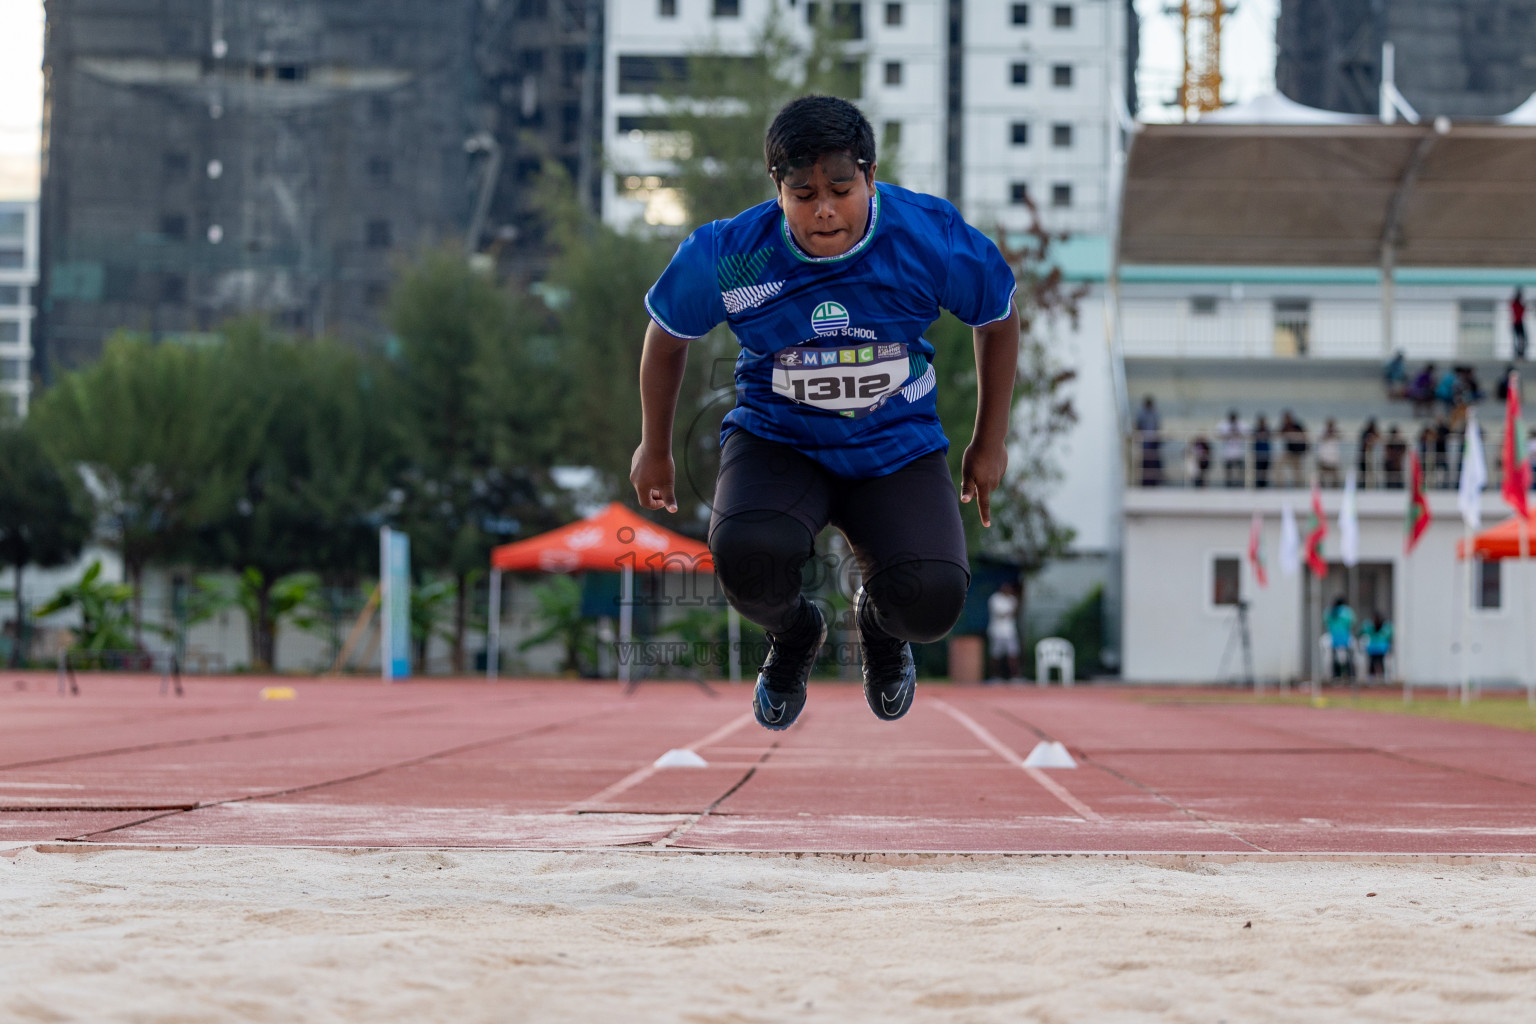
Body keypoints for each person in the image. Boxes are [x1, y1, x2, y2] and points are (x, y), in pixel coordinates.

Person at [632, 96, 1018, 730]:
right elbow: (667, 335)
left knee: (932, 603)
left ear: (870, 175)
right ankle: (795, 633)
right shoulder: (732, 252)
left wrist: (989, 441)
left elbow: (998, 320)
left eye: (841, 188)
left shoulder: (928, 236)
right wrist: (654, 447)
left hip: (896, 446)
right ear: (777, 189)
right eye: (803, 192)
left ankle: (879, 627)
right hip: (779, 440)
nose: (824, 209)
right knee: (745, 555)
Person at [986, 581, 1021, 682]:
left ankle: (1014, 677)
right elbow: (1000, 614)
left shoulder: (1012, 599)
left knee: (1013, 654)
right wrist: (1009, 612)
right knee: (995, 655)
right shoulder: (995, 599)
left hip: (1010, 631)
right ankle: (995, 676)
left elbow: (1014, 613)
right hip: (997, 631)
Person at [1324, 596, 1356, 680]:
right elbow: (1353, 622)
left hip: (1333, 637)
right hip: (1345, 637)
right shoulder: (1347, 611)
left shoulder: (1330, 611)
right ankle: (1351, 675)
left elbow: (1325, 621)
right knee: (1349, 656)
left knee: (1335, 657)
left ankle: (1336, 676)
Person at [1136, 396, 1162, 486]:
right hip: (1145, 442)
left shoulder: (1154, 414)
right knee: (1146, 462)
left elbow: (1157, 426)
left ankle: (1154, 482)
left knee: (1153, 462)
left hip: (1153, 442)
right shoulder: (1142, 414)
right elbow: (1138, 426)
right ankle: (1145, 482)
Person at [1279, 411, 1308, 488]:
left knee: (1297, 471)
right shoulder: (1285, 426)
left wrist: (1292, 434)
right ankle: (1280, 485)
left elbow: (1304, 436)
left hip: (1297, 453)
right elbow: (1279, 434)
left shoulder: (1297, 426)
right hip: (1289, 453)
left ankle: (1298, 486)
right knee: (1278, 465)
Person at [1218, 409, 1246, 488]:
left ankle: (1241, 484)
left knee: (1240, 469)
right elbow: (1219, 436)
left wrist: (1237, 434)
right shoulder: (1223, 424)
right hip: (1227, 452)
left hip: (1239, 452)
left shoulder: (1241, 424)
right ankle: (1228, 484)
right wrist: (1228, 435)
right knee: (1228, 470)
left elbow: (1247, 435)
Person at [1362, 611, 1393, 679]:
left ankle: (1378, 678)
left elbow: (1362, 631)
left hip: (1377, 649)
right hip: (1377, 649)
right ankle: (1377, 678)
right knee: (1375, 664)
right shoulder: (1373, 627)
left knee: (1377, 664)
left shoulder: (1373, 627)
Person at [1316, 418, 1342, 488]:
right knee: (1321, 475)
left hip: (1333, 458)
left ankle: (1335, 489)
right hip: (1323, 457)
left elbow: (1341, 436)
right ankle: (1321, 488)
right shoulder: (1322, 430)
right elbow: (1320, 438)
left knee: (1335, 476)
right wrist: (1327, 434)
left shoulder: (1336, 431)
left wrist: (1334, 432)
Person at [1357, 417, 1380, 487]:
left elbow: (1379, 438)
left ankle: (1371, 486)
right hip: (1364, 455)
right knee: (1364, 473)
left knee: (1371, 473)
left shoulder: (1374, 432)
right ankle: (1363, 486)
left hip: (1371, 455)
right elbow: (1365, 442)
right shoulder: (1365, 433)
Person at [1253, 415, 1272, 489]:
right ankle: (1258, 484)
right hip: (1258, 452)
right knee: (1258, 469)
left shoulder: (1267, 430)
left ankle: (1264, 484)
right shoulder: (1256, 430)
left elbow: (1270, 436)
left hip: (1266, 452)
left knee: (1265, 469)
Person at [1513, 287, 1527, 360]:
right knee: (1518, 339)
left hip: (1519, 322)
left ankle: (1521, 353)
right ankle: (1518, 353)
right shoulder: (1515, 304)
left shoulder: (1517, 304)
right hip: (1517, 322)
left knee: (1522, 339)